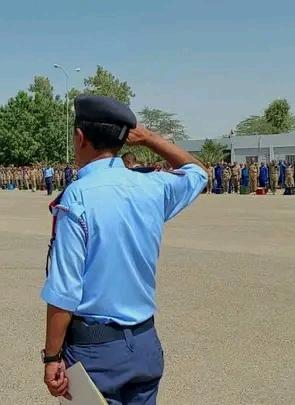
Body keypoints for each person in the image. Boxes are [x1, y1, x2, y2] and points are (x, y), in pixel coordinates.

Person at [41, 95, 207, 404]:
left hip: (96, 355)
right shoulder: (153, 187)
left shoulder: (77, 197)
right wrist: (151, 139)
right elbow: (198, 173)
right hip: (144, 345)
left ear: (80, 138)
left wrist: (51, 357)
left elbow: (64, 291)